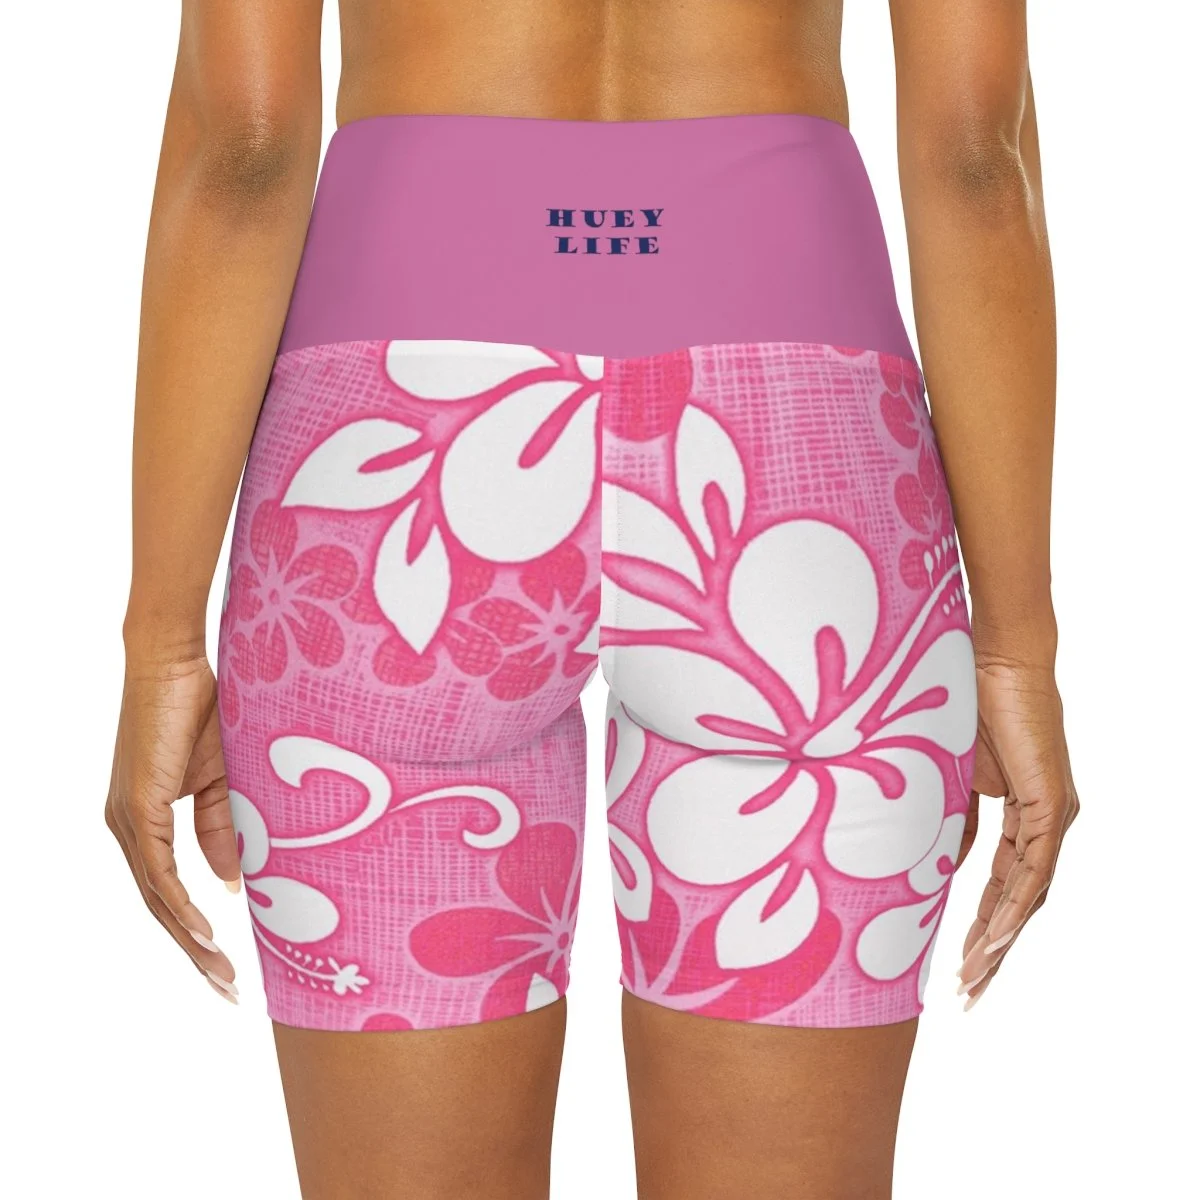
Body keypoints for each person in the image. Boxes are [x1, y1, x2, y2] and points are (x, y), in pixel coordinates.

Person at [104, 1, 1079, 1196]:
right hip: (796, 466)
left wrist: (162, 643)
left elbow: (246, 142)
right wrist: (1017, 648)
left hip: (399, 467)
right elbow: (976, 151)